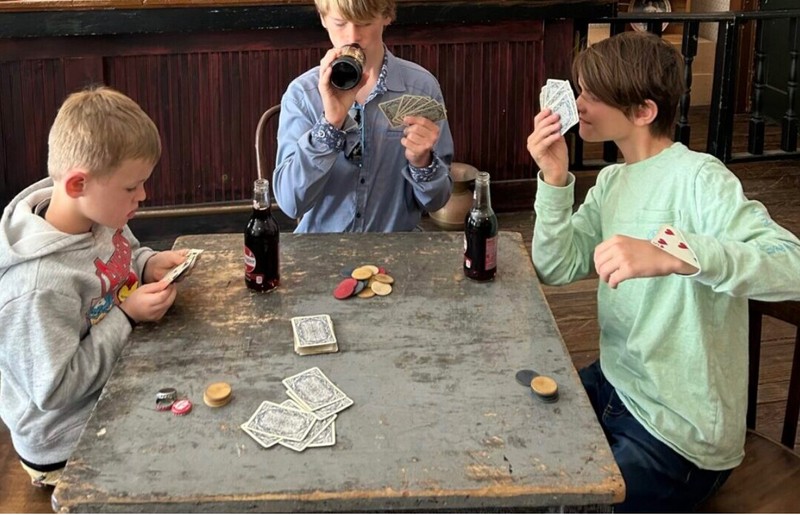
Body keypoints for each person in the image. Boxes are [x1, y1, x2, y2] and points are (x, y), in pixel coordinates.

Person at [526, 31, 800, 512]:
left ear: (643, 111)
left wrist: (679, 253)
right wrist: (553, 178)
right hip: (616, 383)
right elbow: (555, 266)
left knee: (558, 505)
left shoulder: (699, 178)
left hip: (679, 432)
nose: (577, 102)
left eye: (591, 94)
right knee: (512, 446)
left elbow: (792, 263)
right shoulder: (612, 181)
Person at [0, 86, 186, 487]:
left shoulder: (97, 212)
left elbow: (123, 261)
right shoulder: (37, 287)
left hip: (115, 375)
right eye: (131, 187)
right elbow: (55, 390)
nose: (143, 195)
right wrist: (126, 316)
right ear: (77, 184)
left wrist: (148, 263)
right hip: (65, 438)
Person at [273, 0, 453, 233]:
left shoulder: (421, 88)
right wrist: (330, 124)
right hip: (321, 252)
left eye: (365, 23)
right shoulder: (302, 95)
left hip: (394, 249)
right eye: (340, 23)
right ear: (323, 18)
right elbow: (290, 204)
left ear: (387, 16)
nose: (352, 37)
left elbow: (437, 202)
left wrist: (423, 163)